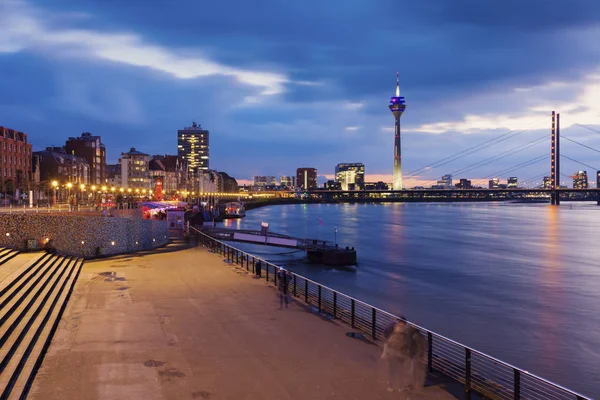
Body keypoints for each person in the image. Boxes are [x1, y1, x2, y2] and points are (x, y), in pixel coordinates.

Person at [381, 320, 411, 392]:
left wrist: (386, 354)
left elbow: (388, 345)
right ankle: (400, 387)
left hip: (392, 355)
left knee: (392, 371)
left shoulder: (393, 336)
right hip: (400, 356)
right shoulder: (405, 337)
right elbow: (407, 347)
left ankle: (390, 386)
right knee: (400, 371)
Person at [406, 325, 428, 390]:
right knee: (418, 369)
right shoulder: (420, 336)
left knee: (413, 369)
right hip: (420, 355)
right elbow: (425, 344)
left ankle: (413, 384)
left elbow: (412, 347)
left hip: (415, 355)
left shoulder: (414, 337)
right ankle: (419, 383)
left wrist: (410, 353)